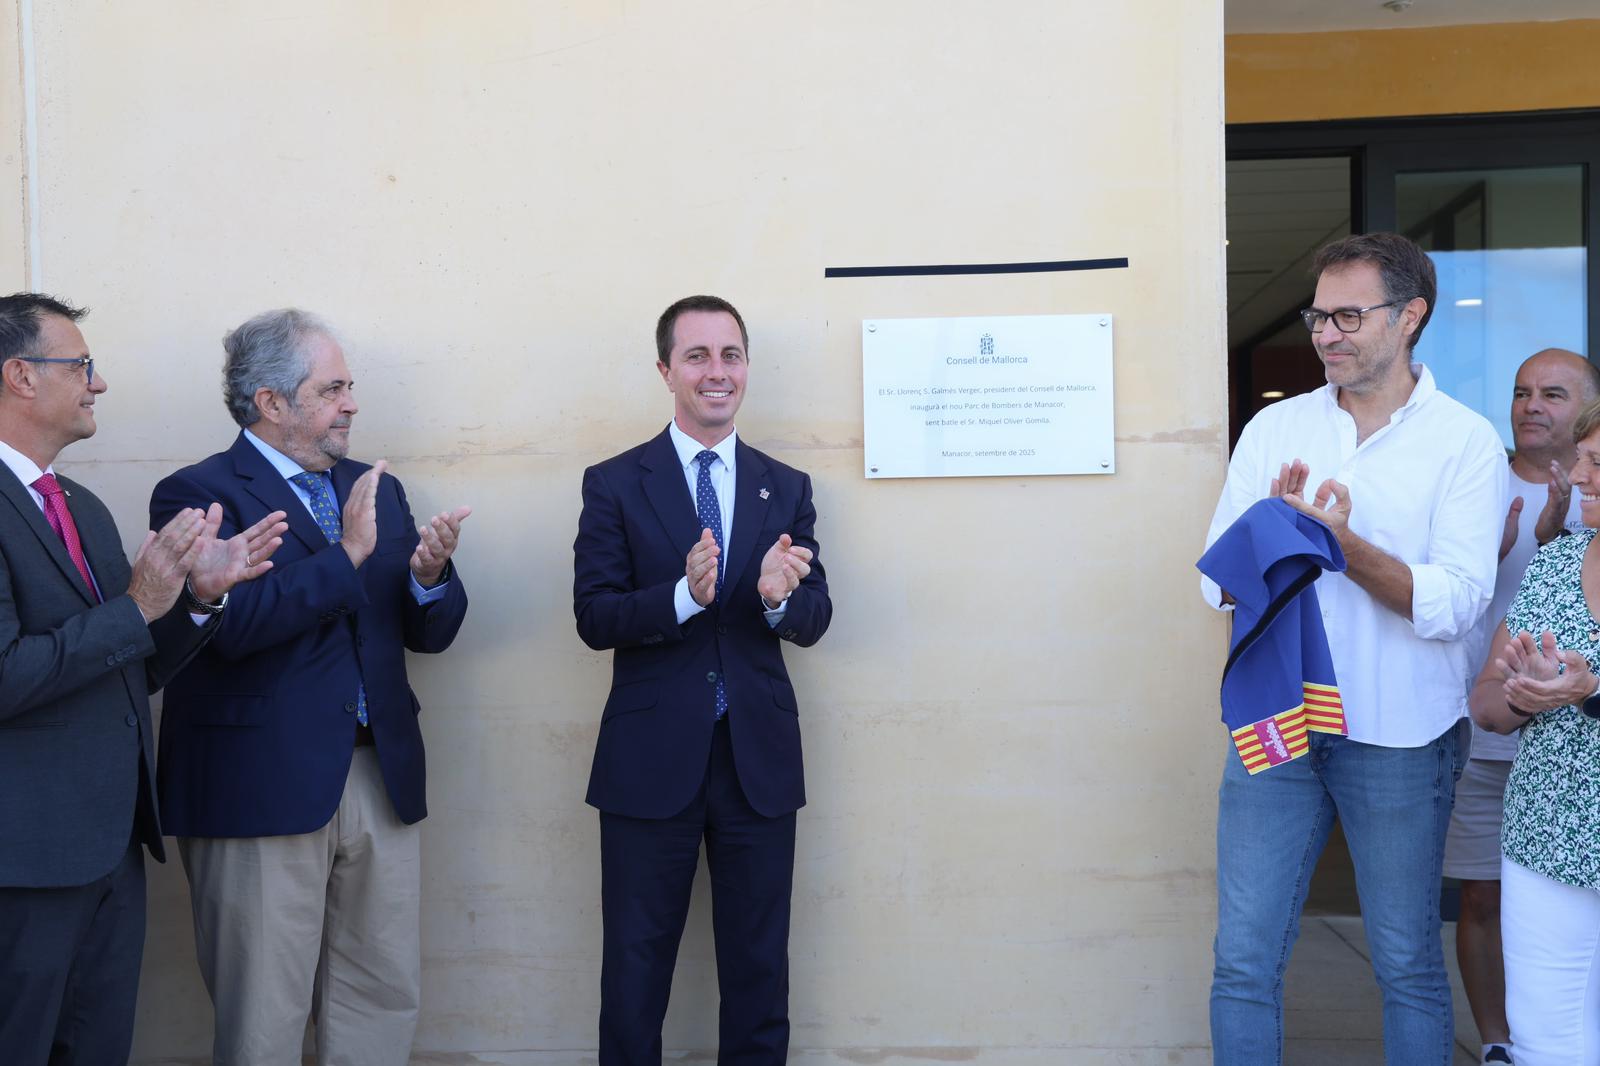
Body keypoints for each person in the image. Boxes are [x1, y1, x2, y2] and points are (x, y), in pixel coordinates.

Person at [1201, 233, 1507, 1064]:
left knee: (1407, 963)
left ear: (1410, 317)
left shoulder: (1465, 442)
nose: (1325, 335)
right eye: (1317, 316)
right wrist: (1275, 536)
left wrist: (1343, 545)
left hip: (1402, 735)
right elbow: (1213, 587)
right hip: (1278, 727)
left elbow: (1455, 604)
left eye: (1347, 315)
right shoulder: (1276, 427)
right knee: (1242, 962)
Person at [149, 308, 471, 1066]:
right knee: (263, 1013)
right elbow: (225, 631)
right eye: (332, 390)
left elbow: (425, 634)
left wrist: (430, 579)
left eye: (349, 387)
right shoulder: (196, 494)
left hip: (377, 773)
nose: (352, 404)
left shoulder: (375, 489)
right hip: (258, 783)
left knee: (380, 997)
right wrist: (350, 555)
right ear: (271, 402)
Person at [0, 293, 285, 1065]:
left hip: (112, 851)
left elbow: (126, 666)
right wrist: (138, 605)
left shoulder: (82, 506)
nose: (98, 384)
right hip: (22, 865)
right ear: (20, 376)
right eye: (81, 366)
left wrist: (197, 598)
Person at [574, 294, 832, 1064]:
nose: (716, 373)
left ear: (746, 367)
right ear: (666, 370)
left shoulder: (785, 485)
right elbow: (594, 616)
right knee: (634, 971)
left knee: (759, 973)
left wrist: (782, 600)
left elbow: (816, 618)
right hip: (649, 762)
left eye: (730, 355)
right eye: (697, 356)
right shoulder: (615, 482)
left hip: (758, 762)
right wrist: (686, 594)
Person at [1449, 348, 1597, 1066]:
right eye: (1520, 392)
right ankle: (1499, 1044)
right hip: (1515, 754)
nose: (1531, 405)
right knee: (1486, 902)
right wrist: (1498, 550)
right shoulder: (1489, 490)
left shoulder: (1578, 515)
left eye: (1553, 394)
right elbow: (1483, 681)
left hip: (1577, 766)